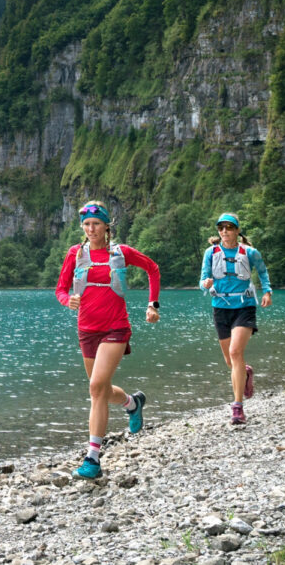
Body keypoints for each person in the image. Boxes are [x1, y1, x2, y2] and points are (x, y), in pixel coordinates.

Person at [55, 200, 161, 480]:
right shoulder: (75, 254)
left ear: (106, 226)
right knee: (99, 390)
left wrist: (153, 305)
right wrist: (69, 301)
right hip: (87, 329)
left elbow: (153, 268)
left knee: (96, 387)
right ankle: (131, 403)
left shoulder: (121, 252)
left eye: (96, 224)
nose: (91, 229)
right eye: (87, 225)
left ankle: (92, 459)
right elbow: (61, 289)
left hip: (116, 327)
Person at [199, 212, 272, 426]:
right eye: (221, 228)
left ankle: (238, 407)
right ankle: (245, 373)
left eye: (229, 227)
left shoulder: (250, 252)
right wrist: (205, 284)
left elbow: (263, 272)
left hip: (244, 307)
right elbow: (203, 278)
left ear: (237, 230)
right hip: (220, 308)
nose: (224, 231)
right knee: (230, 362)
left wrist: (267, 292)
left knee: (235, 352)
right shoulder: (210, 253)